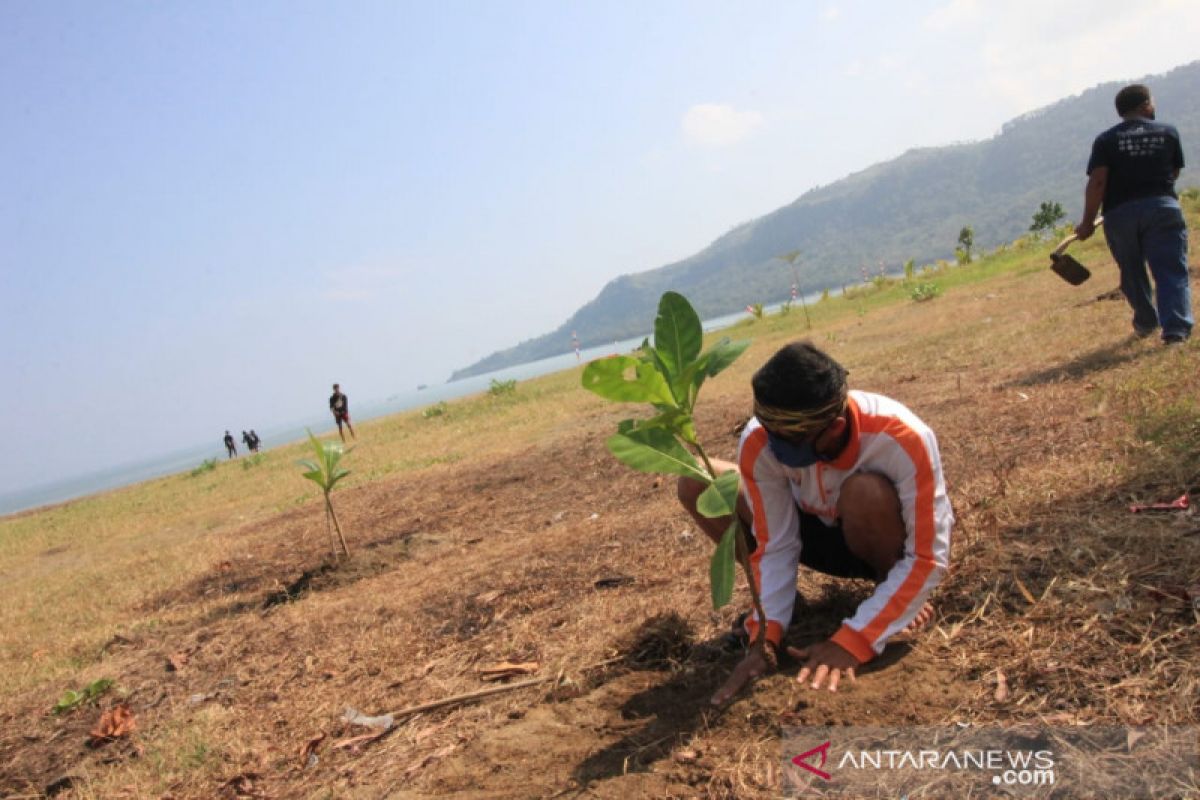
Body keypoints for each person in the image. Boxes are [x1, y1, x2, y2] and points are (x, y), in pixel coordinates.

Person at [677, 341, 953, 704]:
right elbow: (775, 543)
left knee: (864, 491)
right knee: (697, 480)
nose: (779, 452)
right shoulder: (763, 440)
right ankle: (789, 604)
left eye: (793, 443)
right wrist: (766, 635)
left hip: (874, 538)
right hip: (809, 533)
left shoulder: (901, 436)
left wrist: (854, 640)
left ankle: (893, 595)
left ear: (835, 428)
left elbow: (927, 556)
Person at [1075, 83, 1192, 344]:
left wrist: (1087, 223)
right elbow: (1173, 173)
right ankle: (1175, 330)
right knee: (1170, 269)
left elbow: (1097, 182)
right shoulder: (1168, 132)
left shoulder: (1106, 140)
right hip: (1162, 208)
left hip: (1119, 215)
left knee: (1131, 272)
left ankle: (1146, 321)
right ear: (1145, 106)